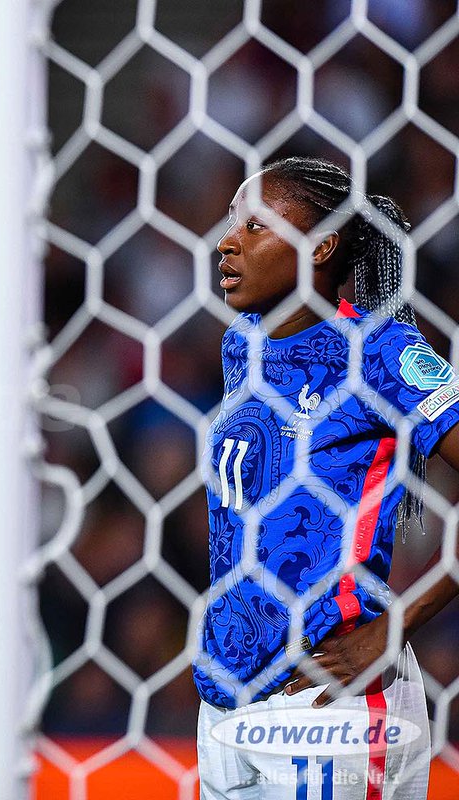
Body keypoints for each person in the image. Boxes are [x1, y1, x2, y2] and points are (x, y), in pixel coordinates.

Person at [197, 156, 459, 799]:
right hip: (224, 703)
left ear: (321, 246)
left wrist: (393, 628)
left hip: (328, 704)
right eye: (232, 221)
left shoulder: (382, 349)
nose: (227, 240)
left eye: (256, 226)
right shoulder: (243, 346)